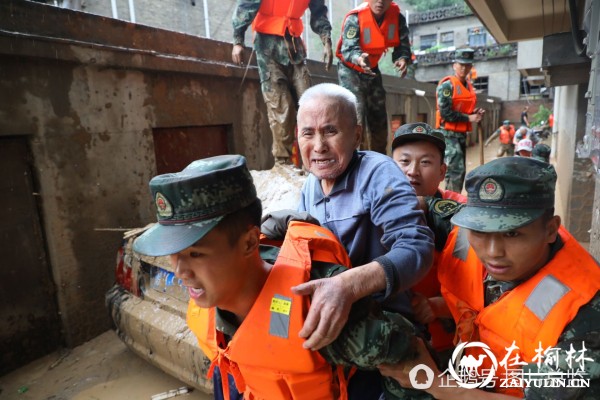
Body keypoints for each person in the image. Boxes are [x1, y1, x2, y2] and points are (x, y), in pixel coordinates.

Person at [131, 155, 422, 400]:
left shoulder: (319, 317)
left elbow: (410, 356)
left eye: (196, 254)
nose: (180, 272)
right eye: (175, 253)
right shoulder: (209, 302)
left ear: (248, 243)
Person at [379, 157, 600, 399]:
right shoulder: (462, 229)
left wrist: (435, 384)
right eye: (480, 230)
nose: (493, 252)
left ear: (550, 230)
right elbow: (428, 206)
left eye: (512, 233)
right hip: (470, 368)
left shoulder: (586, 311)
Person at [294, 83, 435, 398]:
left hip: (384, 339)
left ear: (356, 135)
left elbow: (416, 247)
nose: (319, 146)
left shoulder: (378, 174)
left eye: (330, 131)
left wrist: (348, 286)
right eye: (308, 133)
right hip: (339, 339)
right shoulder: (309, 188)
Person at [390, 122, 465, 359]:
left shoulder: (462, 214)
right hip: (391, 341)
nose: (413, 171)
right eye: (404, 161)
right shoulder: (372, 211)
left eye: (425, 162)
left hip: (450, 344)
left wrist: (439, 306)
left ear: (442, 172)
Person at [231, 0, 333, 165]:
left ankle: (313, 162)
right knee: (281, 108)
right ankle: (283, 162)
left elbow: (319, 11)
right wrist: (238, 40)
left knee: (310, 105)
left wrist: (326, 39)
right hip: (267, 46)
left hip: (294, 45)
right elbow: (245, 6)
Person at [336, 0, 412, 154]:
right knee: (355, 114)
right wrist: (359, 58)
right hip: (350, 70)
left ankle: (379, 159)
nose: (380, 2)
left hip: (372, 69)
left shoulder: (397, 18)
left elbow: (402, 46)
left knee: (379, 116)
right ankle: (352, 160)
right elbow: (348, 49)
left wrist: (402, 59)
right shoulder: (355, 18)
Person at [435, 47, 484, 193]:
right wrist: (469, 118)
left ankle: (454, 199)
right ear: (454, 65)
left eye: (467, 65)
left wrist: (474, 113)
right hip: (448, 134)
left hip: (460, 135)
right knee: (455, 170)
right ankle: (450, 204)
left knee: (459, 171)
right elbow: (445, 113)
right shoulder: (447, 86)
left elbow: (462, 107)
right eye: (461, 64)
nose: (464, 68)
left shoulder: (468, 85)